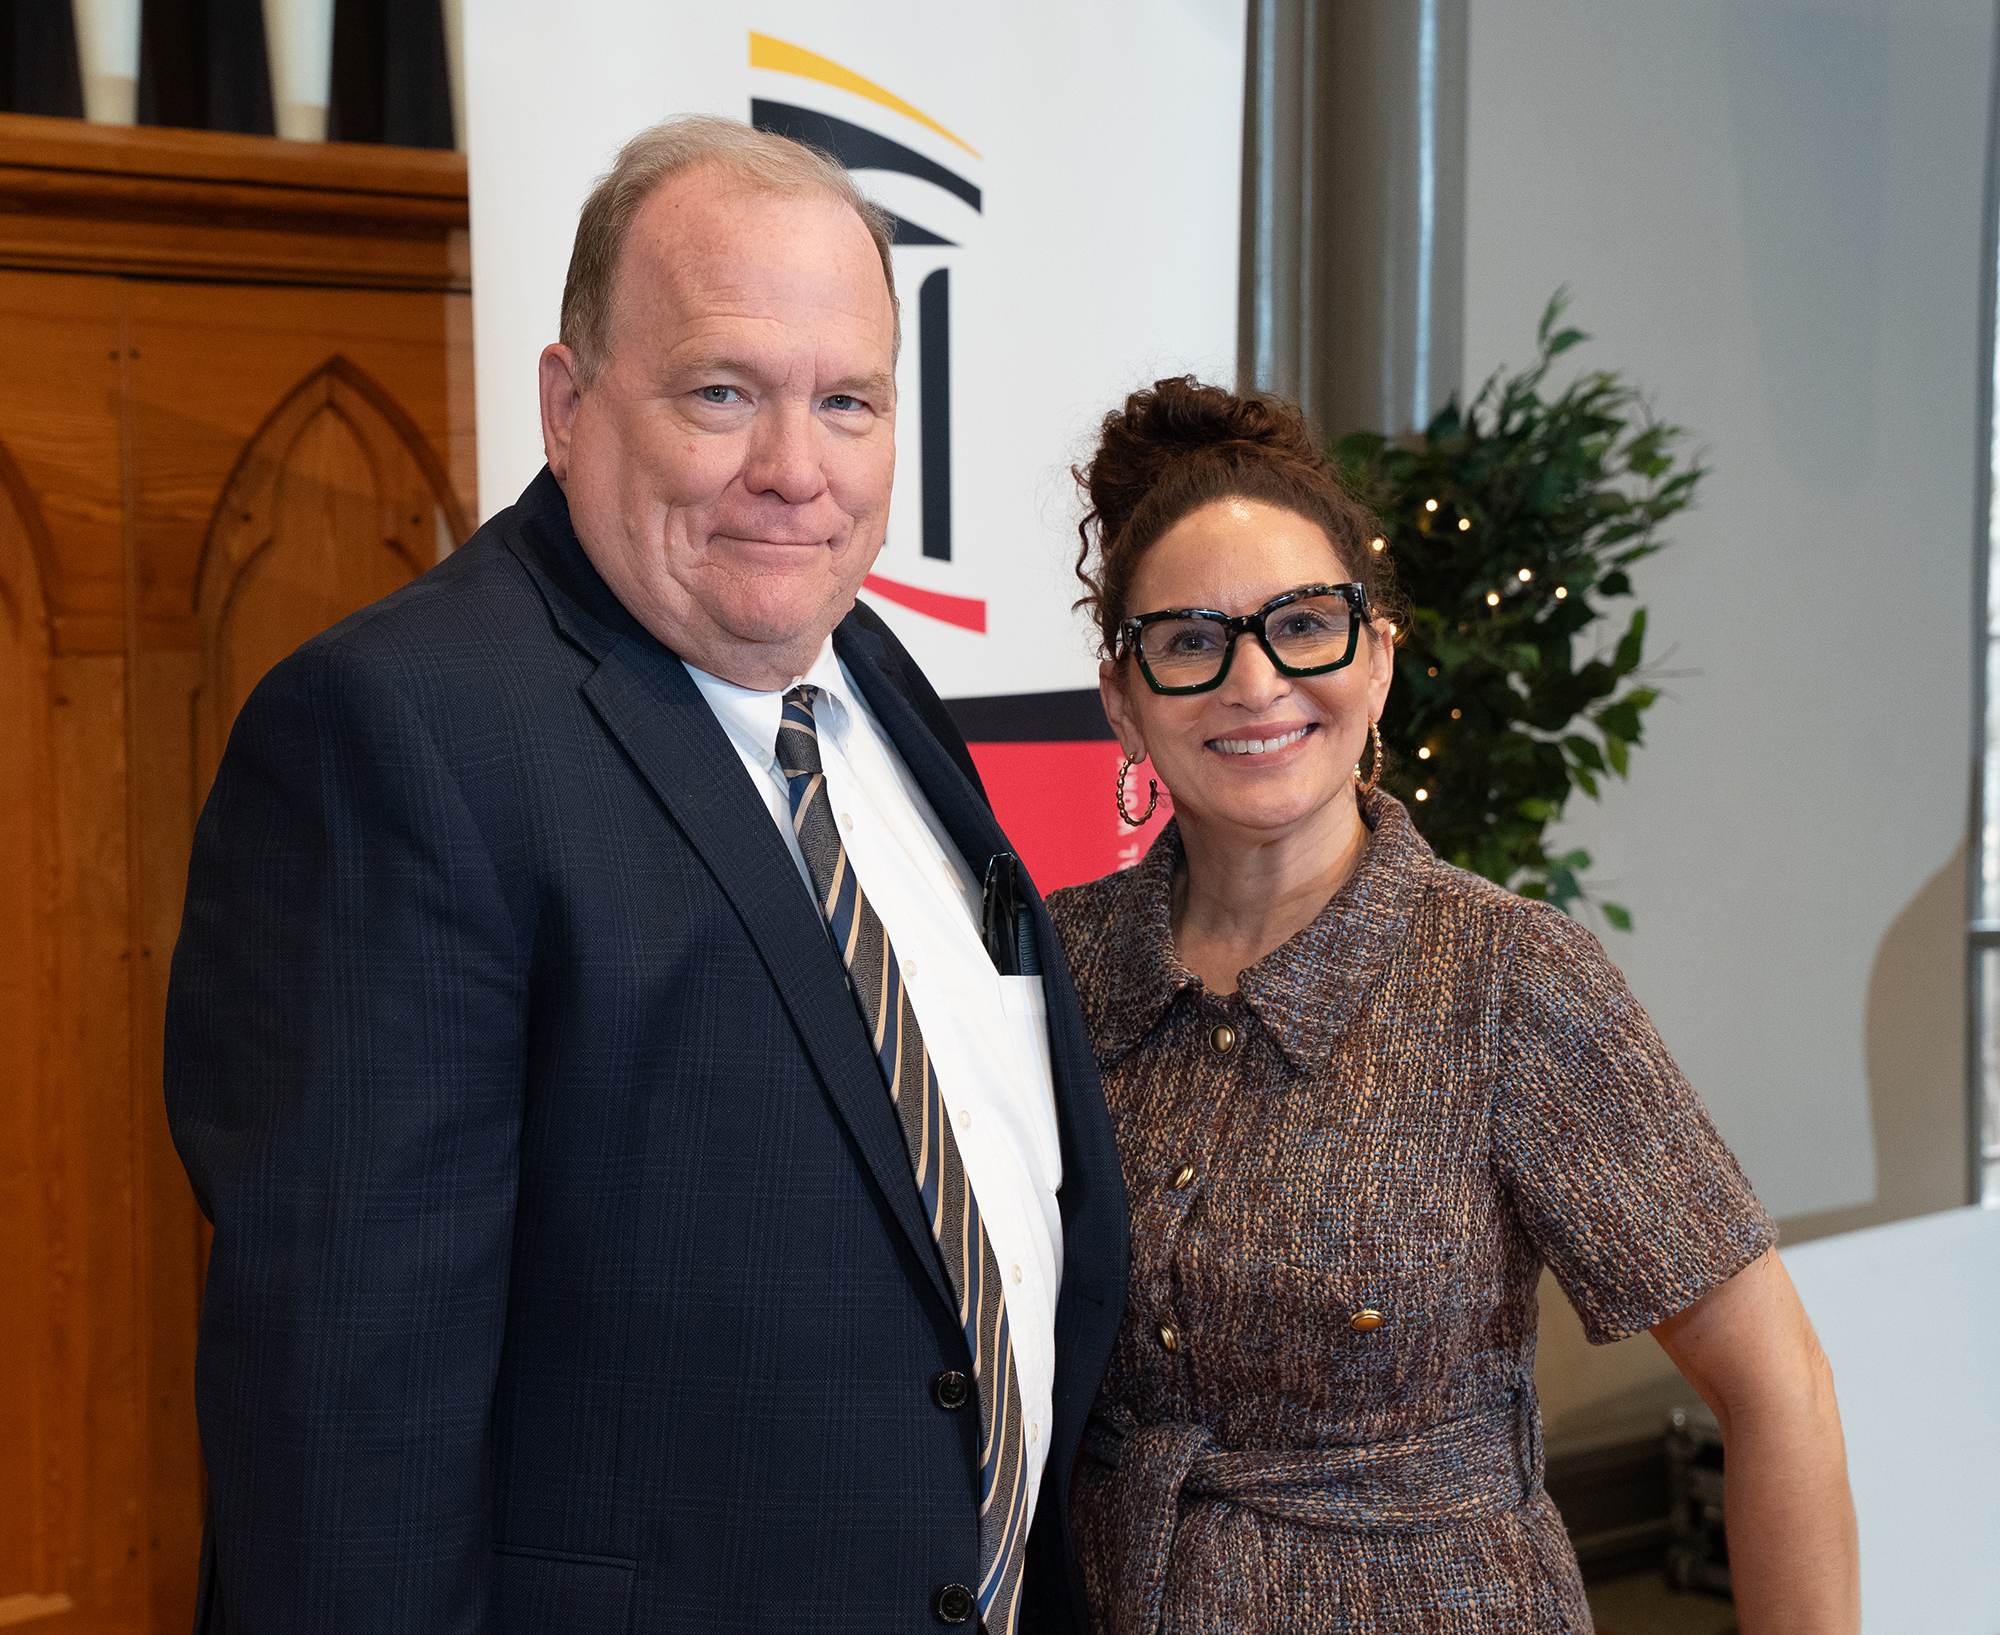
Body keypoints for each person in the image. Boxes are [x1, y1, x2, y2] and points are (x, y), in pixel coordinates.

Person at [165, 116, 1126, 1635]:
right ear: (567, 402)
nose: (793, 471)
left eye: (849, 400)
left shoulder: (862, 669)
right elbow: (341, 1408)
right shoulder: (403, 730)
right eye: (722, 393)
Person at [1045, 377, 1859, 1633]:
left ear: (1374, 661)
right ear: (1122, 697)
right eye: (1190, 640)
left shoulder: (1506, 981)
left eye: (1301, 625)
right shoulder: (1054, 969)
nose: (1254, 683)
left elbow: (1779, 1388)